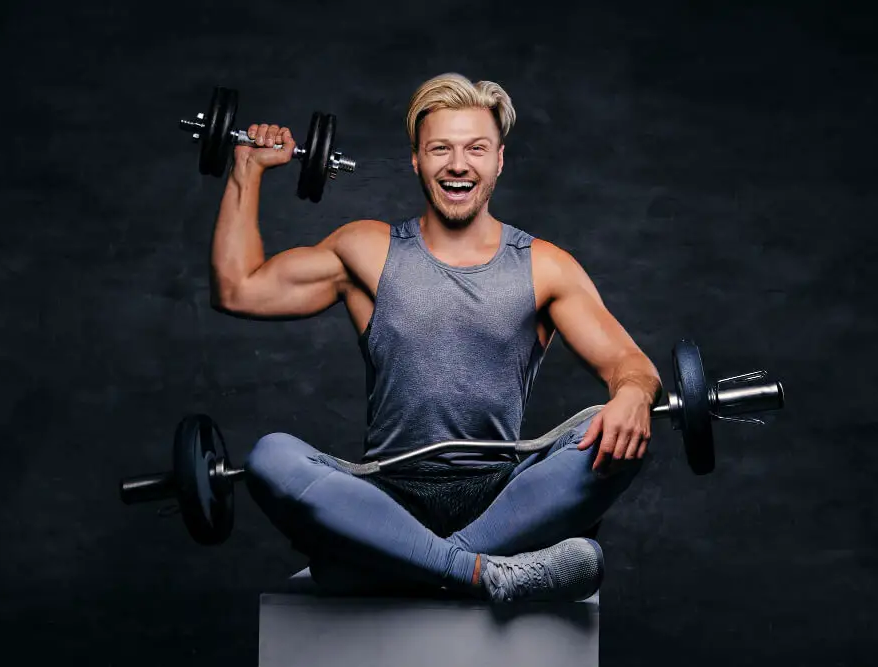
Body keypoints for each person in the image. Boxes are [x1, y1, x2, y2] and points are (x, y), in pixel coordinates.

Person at [209, 73, 662, 603]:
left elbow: (629, 363)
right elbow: (237, 289)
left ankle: (391, 565)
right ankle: (479, 573)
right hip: (383, 493)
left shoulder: (545, 266)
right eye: (439, 148)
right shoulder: (365, 250)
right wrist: (247, 170)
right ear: (416, 160)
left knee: (621, 436)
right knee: (271, 458)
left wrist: (632, 394)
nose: (457, 164)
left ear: (498, 160)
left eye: (476, 148)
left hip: (502, 496)